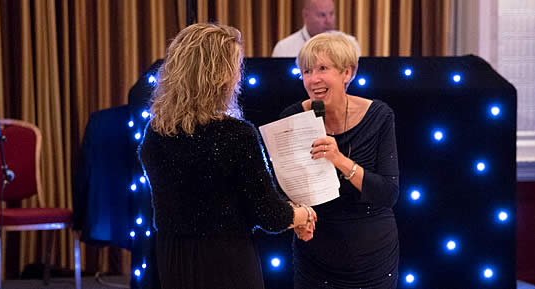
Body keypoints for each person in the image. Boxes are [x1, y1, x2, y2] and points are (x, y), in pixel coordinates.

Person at [138, 23, 316, 289]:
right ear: (220, 76)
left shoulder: (156, 131)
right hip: (225, 261)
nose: (238, 76)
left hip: (172, 258)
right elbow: (269, 215)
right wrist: (303, 215)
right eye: (236, 66)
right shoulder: (236, 134)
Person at [278, 31, 400, 289]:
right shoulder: (292, 118)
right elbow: (281, 190)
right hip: (315, 259)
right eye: (307, 71)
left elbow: (388, 193)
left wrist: (340, 160)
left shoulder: (378, 116)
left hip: (371, 260)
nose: (314, 80)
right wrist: (296, 218)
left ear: (348, 73)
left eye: (323, 68)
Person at [272, 0, 350, 57]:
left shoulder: (349, 44)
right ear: (305, 15)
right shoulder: (284, 48)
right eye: (322, 15)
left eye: (331, 14)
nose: (328, 21)